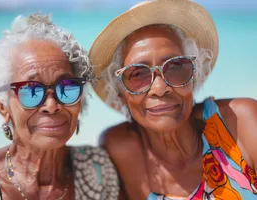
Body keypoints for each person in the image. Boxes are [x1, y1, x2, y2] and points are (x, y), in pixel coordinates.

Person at [89, 0, 257, 199]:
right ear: (120, 93)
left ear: (194, 77)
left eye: (176, 66)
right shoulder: (121, 150)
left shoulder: (239, 122)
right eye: (137, 74)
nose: (160, 89)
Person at [0, 14, 120, 200]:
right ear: (3, 107)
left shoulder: (98, 170)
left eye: (66, 87)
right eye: (31, 91)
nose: (51, 106)